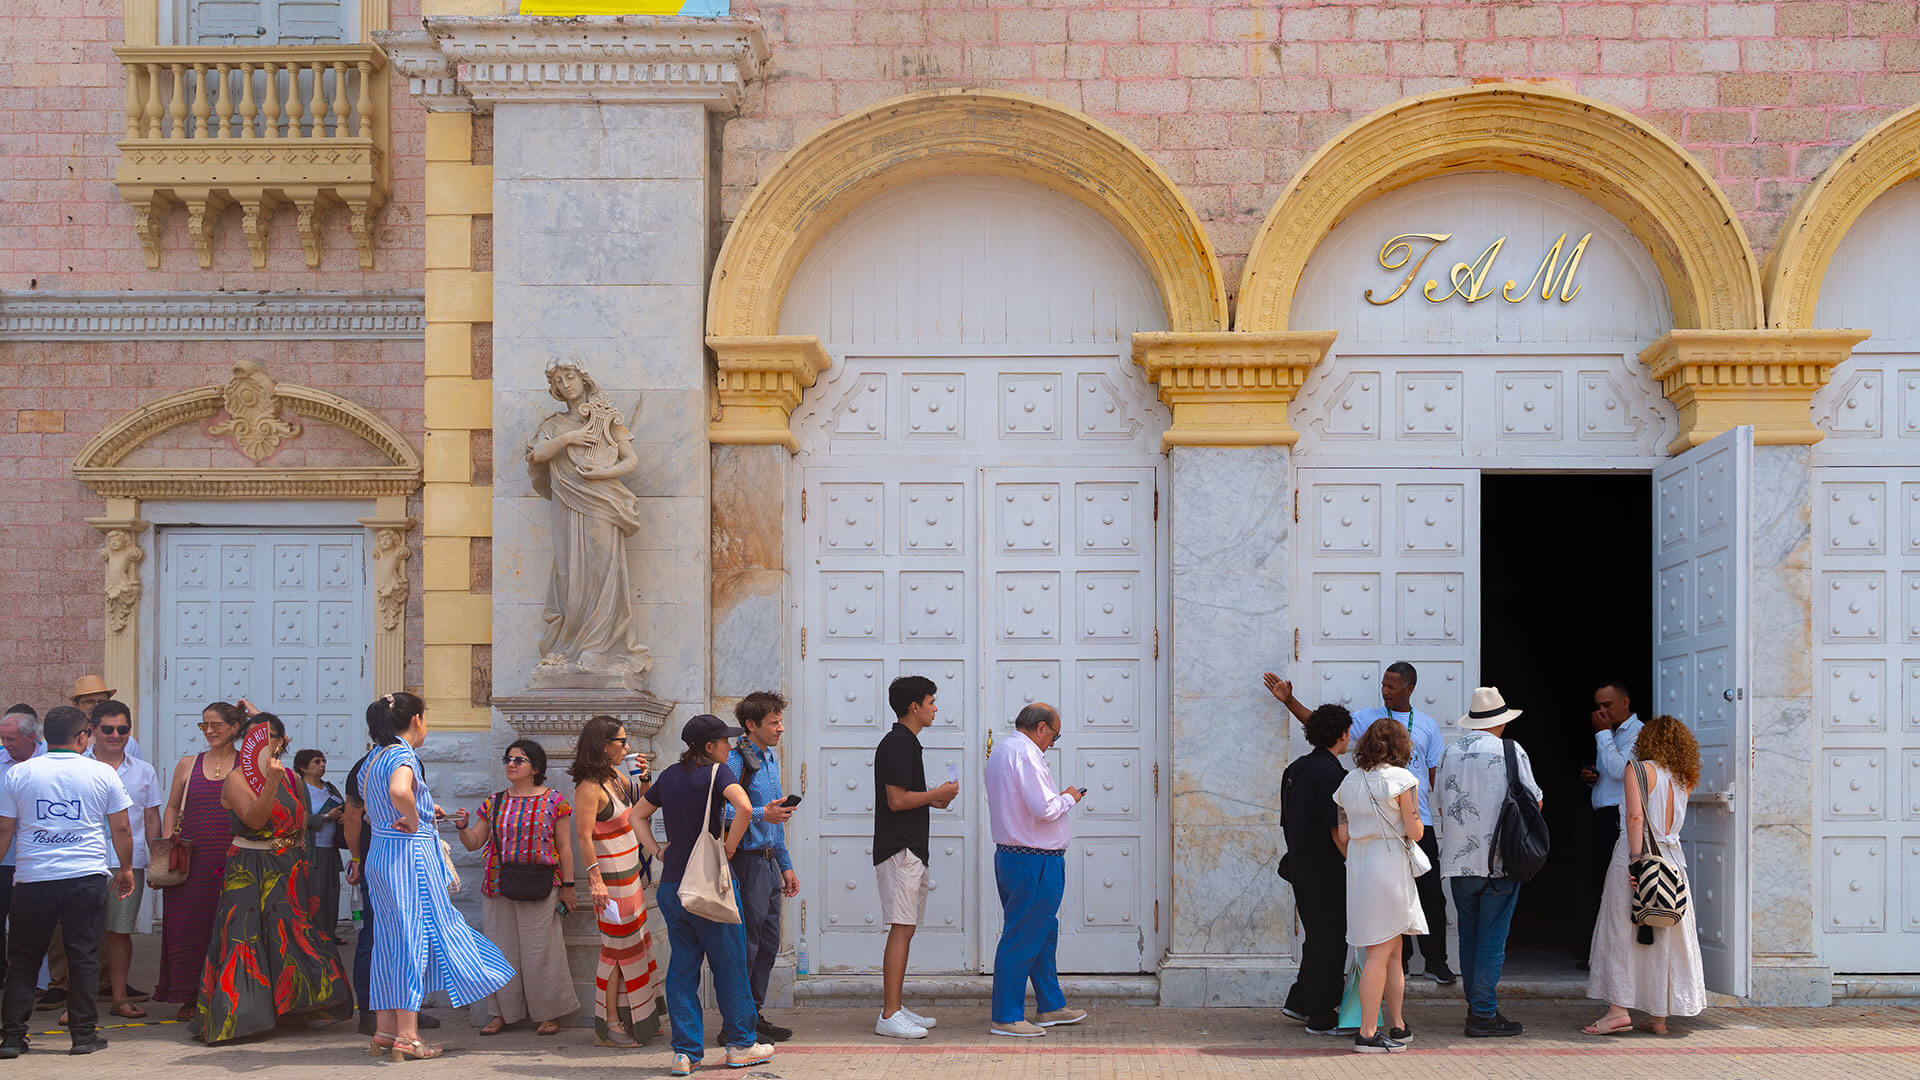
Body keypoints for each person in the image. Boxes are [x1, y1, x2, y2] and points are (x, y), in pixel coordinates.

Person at [1263, 664, 1451, 984]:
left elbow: (1436, 775)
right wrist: (1289, 702)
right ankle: (1398, 961)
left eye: (1393, 686)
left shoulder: (1428, 725)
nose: (1386, 691)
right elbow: (1323, 728)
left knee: (1430, 893)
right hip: (1381, 827)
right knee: (1390, 894)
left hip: (1419, 822)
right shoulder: (1368, 718)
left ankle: (1436, 960)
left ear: (1410, 688)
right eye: (1383, 685)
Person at [362, 692, 514, 1061]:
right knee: (414, 939)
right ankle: (409, 1037)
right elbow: (399, 791)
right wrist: (415, 819)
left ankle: (385, 1030)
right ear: (416, 719)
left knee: (390, 942)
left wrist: (424, 809)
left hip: (381, 855)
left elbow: (377, 804)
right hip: (406, 857)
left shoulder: (374, 756)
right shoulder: (401, 754)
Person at [194, 709, 353, 1043]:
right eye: (255, 739)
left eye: (270, 738)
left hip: (287, 865)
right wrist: (271, 783)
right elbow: (254, 819)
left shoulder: (295, 779)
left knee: (288, 937)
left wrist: (302, 863)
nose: (263, 745)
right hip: (249, 866)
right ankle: (243, 1017)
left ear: (283, 742)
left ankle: (294, 1008)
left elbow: (300, 822)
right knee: (245, 937)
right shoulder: (237, 778)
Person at [631, 714, 771, 1075]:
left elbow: (637, 815)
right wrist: (729, 847)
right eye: (724, 741)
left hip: (672, 885)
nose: (729, 746)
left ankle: (684, 1053)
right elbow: (744, 807)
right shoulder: (717, 772)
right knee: (730, 967)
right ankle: (740, 1045)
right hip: (709, 885)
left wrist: (658, 850)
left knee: (682, 970)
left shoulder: (669, 776)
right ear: (709, 747)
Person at [0, 705, 134, 1057]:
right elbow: (121, 827)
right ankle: (84, 1035)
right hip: (84, 877)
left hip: (32, 878)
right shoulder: (102, 773)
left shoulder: (19, 774)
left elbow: (4, 829)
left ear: (44, 737)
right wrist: (126, 868)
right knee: (84, 956)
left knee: (24, 958)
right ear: (82, 736)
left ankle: (13, 1037)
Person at [1583, 715, 1706, 1035]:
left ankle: (1617, 1010)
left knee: (1622, 931)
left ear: (1646, 740)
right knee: (1664, 931)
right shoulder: (1684, 777)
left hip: (1637, 854)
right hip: (1672, 860)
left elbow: (1636, 817)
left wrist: (1635, 861)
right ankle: (1659, 1016)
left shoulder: (1637, 769)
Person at [1436, 687, 1542, 1038]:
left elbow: (1439, 804)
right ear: (1500, 721)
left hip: (1457, 863)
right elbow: (1534, 801)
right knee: (1492, 940)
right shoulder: (1510, 750)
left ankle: (1477, 1008)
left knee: (1469, 936)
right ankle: (1482, 1014)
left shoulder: (1450, 751)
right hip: (1499, 861)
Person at [458, 738, 578, 1036]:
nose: (511, 764)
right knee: (500, 951)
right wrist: (462, 827)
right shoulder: (494, 801)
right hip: (499, 885)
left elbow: (564, 847)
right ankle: (501, 1013)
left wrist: (569, 886)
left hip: (540, 883)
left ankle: (547, 1013)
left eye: (518, 760)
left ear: (535, 768)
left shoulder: (554, 801)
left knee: (542, 951)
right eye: (508, 759)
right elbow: (475, 842)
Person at [983, 702, 1087, 1038]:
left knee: (1040, 933)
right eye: (1053, 735)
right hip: (1035, 860)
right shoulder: (1026, 753)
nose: (1052, 743)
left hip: (1015, 857)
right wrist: (1070, 797)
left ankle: (1050, 1005)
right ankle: (1006, 1015)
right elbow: (1043, 807)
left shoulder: (1001, 752)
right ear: (1040, 727)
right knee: (1023, 936)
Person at [872, 675, 957, 1039]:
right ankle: (889, 1013)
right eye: (931, 701)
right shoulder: (898, 743)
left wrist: (934, 798)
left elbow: (908, 797)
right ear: (914, 706)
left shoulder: (907, 743)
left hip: (910, 847)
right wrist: (934, 792)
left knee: (906, 928)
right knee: (901, 928)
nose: (935, 708)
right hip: (899, 849)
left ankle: (896, 1006)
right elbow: (896, 800)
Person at [570, 715, 662, 1048]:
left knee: (635, 946)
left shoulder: (613, 777)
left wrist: (645, 778)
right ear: (603, 745)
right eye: (620, 741)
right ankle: (609, 1025)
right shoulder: (589, 787)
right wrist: (595, 880)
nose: (626, 746)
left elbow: (641, 807)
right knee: (616, 951)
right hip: (611, 884)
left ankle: (636, 1018)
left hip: (629, 878)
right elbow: (582, 837)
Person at [1332, 720, 1424, 1054]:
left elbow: (1343, 834)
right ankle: (1369, 1032)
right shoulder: (1402, 779)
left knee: (1390, 949)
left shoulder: (1348, 781)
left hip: (1359, 866)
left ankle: (1397, 1025)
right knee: (1382, 951)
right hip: (1389, 867)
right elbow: (1415, 831)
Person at [155, 701, 241, 1021]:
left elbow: (276, 746)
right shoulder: (187, 764)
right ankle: (189, 995)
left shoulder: (246, 765)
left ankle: (225, 992)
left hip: (232, 858)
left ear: (235, 727)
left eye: (217, 724)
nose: (210, 731)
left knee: (227, 928)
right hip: (190, 860)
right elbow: (173, 807)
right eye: (205, 725)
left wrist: (254, 715)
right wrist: (167, 843)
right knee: (187, 928)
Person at [723, 692, 798, 1044]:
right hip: (746, 863)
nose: (780, 728)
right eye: (774, 722)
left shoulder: (768, 759)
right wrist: (759, 814)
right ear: (752, 725)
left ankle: (753, 1015)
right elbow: (721, 813)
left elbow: (776, 820)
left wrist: (785, 865)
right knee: (746, 945)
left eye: (780, 720)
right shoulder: (737, 761)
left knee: (767, 945)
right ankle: (734, 1024)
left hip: (768, 864)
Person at [1279, 703, 1353, 1036]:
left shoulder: (1295, 768)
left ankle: (1299, 1000)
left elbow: (1286, 820)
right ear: (1342, 734)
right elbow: (1337, 829)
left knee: (1317, 935)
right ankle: (1321, 1014)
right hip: (1326, 870)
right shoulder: (1332, 774)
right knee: (1331, 939)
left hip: (1300, 865)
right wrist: (1354, 861)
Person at [85, 700, 162, 1018]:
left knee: (120, 932)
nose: (116, 735)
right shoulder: (79, 766)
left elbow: (152, 818)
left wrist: (158, 862)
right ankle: (79, 1005)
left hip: (129, 861)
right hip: (85, 860)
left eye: (123, 729)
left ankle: (119, 998)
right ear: (92, 731)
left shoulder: (144, 771)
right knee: (83, 935)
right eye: (108, 729)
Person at [1577, 679, 1643, 969]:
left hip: (1619, 820)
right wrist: (1592, 777)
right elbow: (1608, 775)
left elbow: (1620, 771)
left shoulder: (1637, 734)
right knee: (1593, 885)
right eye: (1598, 706)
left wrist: (1602, 734)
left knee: (1615, 888)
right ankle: (1596, 953)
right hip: (1601, 815)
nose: (1601, 711)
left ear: (1625, 702)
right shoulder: (1611, 733)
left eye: (1607, 705)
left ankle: (1615, 959)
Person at [0, 708, 42, 996]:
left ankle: (35, 982)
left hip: (38, 860)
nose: (6, 744)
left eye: (11, 738)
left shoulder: (47, 762)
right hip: (4, 859)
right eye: (3, 738)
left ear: (31, 738)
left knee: (29, 925)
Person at [295, 750, 347, 945]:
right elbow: (296, 818)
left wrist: (343, 817)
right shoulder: (299, 789)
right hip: (310, 849)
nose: (322, 765)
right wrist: (325, 817)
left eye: (323, 761)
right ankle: (311, 935)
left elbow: (344, 809)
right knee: (312, 892)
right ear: (303, 767)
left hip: (329, 849)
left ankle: (328, 933)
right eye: (316, 762)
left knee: (330, 891)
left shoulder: (330, 788)